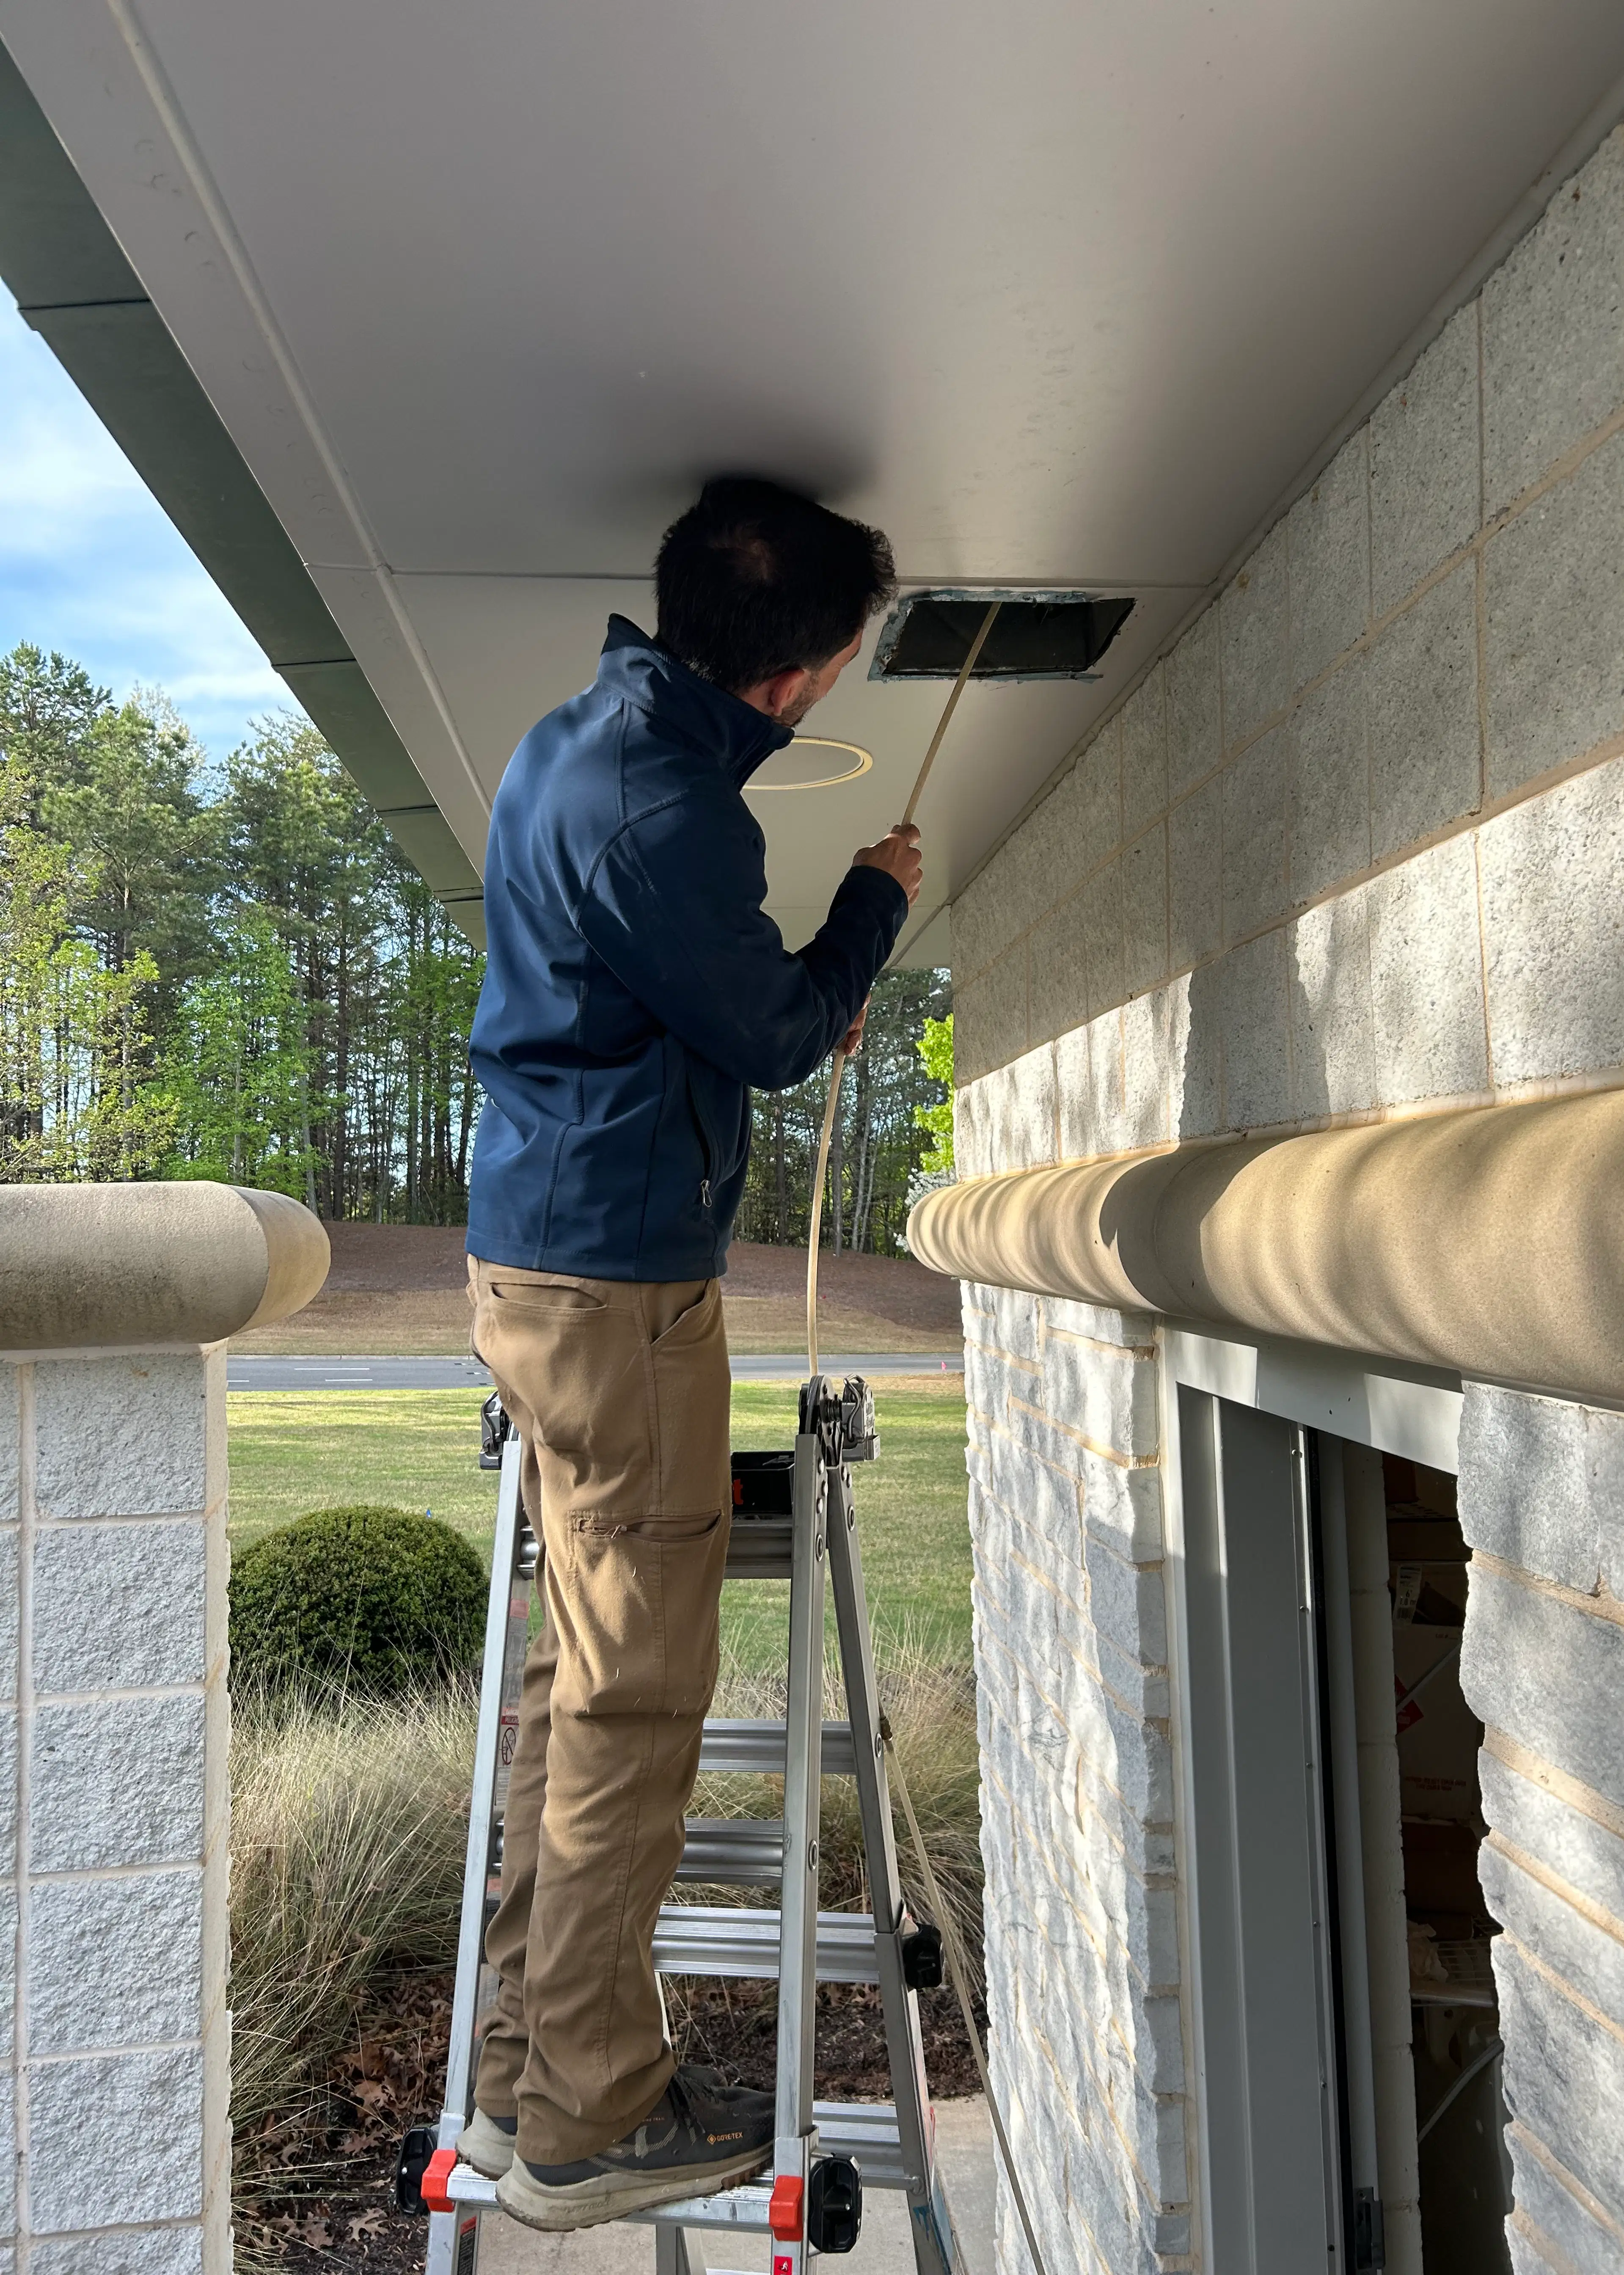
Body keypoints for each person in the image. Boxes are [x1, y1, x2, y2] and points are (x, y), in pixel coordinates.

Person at [457, 477, 922, 2233]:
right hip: (624, 1299)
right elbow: (785, 1032)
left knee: (571, 1686)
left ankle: (518, 2086)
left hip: (546, 1270)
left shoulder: (573, 743)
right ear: (804, 673)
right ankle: (591, 2118)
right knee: (636, 1703)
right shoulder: (674, 814)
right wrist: (871, 906)